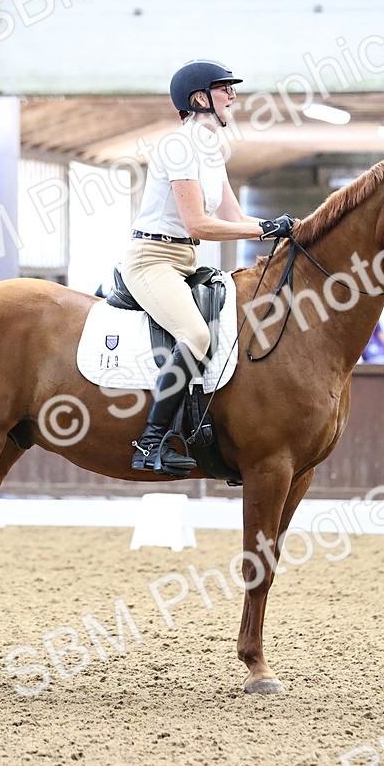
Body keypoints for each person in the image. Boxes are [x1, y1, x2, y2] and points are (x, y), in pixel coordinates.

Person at [124, 59, 294, 477]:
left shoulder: (212, 148)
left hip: (187, 261)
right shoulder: (178, 146)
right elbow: (197, 223)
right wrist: (263, 227)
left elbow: (235, 217)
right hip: (153, 259)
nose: (233, 96)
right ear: (200, 98)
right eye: (224, 89)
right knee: (196, 334)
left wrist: (289, 232)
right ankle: (149, 442)